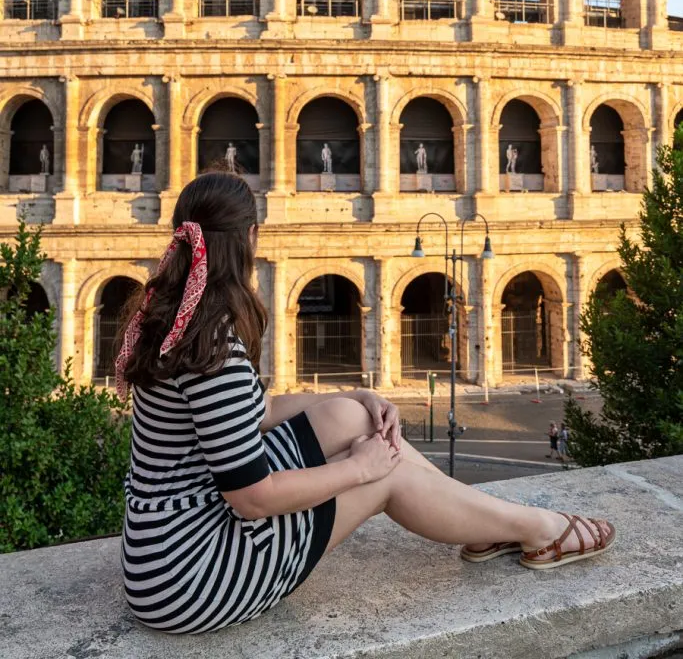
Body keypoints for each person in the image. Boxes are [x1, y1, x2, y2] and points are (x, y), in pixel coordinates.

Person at [116, 173, 616, 634]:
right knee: (385, 470)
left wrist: (350, 394)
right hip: (194, 575)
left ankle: (485, 523)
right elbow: (251, 499)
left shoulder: (177, 318)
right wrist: (360, 468)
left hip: (163, 551)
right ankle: (537, 530)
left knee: (354, 417)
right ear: (248, 240)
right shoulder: (212, 345)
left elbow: (256, 412)